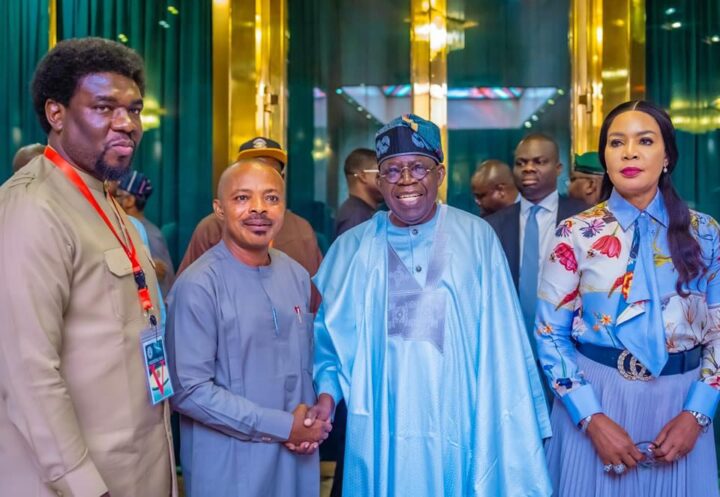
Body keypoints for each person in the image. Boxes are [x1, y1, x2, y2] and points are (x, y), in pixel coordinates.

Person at [308, 114, 552, 497]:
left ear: (439, 174)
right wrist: (326, 393)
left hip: (460, 420)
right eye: (392, 170)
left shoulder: (477, 239)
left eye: (418, 168)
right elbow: (330, 340)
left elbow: (501, 347)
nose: (406, 180)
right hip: (380, 423)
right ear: (378, 178)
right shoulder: (353, 248)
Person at [0, 38, 175, 497]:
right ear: (56, 114)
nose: (127, 124)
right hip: (79, 483)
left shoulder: (103, 198)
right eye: (104, 107)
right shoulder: (33, 207)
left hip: (140, 466)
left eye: (134, 110)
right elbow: (28, 374)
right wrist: (84, 487)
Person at [535, 100, 720, 497]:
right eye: (616, 142)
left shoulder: (705, 232)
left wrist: (698, 412)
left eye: (645, 141)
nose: (629, 152)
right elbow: (550, 334)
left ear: (667, 155)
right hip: (596, 397)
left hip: (681, 400)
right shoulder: (576, 233)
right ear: (605, 156)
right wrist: (591, 417)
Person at [167, 159, 329, 497]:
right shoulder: (198, 285)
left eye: (271, 198)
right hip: (231, 467)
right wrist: (285, 427)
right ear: (219, 209)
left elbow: (303, 368)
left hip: (296, 460)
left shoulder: (297, 275)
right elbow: (189, 391)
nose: (259, 209)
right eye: (242, 198)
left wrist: (310, 420)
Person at [177, 137, 322, 309]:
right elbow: (187, 299)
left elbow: (315, 302)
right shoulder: (210, 228)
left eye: (270, 172)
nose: (260, 178)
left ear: (282, 178)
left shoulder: (301, 230)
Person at [486, 134, 586, 334]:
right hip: (510, 338)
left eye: (539, 162)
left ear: (558, 168)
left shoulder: (584, 219)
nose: (528, 168)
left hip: (569, 339)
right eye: (521, 163)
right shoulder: (492, 226)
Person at [115, 169, 176, 295]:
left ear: (130, 201)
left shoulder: (150, 235)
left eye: (117, 196)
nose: (113, 201)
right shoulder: (122, 227)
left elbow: (163, 282)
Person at [335, 148, 383, 238]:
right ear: (363, 176)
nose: (385, 179)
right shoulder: (355, 217)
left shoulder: (358, 212)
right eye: (380, 174)